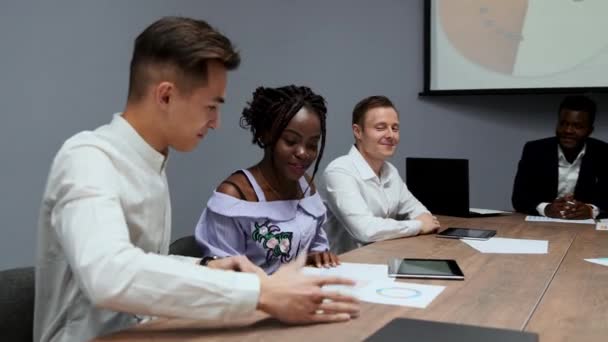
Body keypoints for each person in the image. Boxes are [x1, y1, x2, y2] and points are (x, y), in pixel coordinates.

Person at [34, 17, 358, 342]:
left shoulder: (150, 165)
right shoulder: (88, 159)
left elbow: (144, 264)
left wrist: (205, 267)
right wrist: (259, 291)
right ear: (165, 96)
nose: (215, 122)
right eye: (210, 106)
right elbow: (110, 274)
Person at [195, 85, 339, 273]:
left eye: (312, 145)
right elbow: (223, 276)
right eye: (290, 141)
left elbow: (315, 246)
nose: (303, 153)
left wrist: (316, 256)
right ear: (266, 135)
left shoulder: (307, 187)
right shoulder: (235, 196)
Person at [322, 96, 440, 254]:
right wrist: (417, 225)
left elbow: (420, 212)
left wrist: (421, 221)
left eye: (395, 128)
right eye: (380, 127)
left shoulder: (390, 170)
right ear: (358, 131)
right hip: (346, 266)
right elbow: (365, 230)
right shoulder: (339, 171)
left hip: (382, 257)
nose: (391, 135)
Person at [512, 95, 608, 219]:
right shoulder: (535, 150)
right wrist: (545, 208)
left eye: (577, 126)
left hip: (585, 226)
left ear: (590, 130)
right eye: (563, 123)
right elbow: (519, 198)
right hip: (544, 223)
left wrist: (592, 210)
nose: (568, 130)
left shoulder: (604, 152)